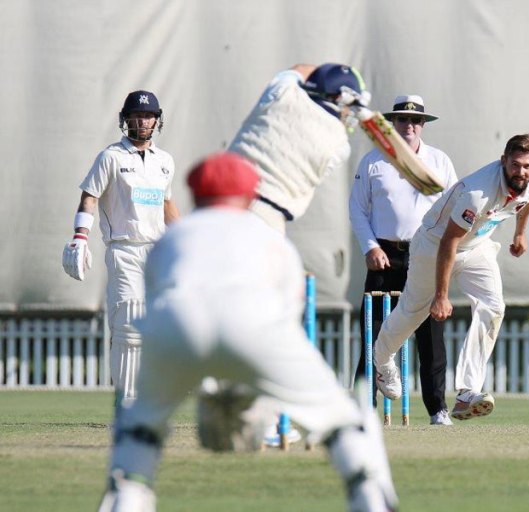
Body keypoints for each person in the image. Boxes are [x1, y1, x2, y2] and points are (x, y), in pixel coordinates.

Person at [96, 153, 397, 512]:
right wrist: (254, 390)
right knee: (345, 421)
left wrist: (211, 382)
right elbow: (288, 315)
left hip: (174, 325)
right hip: (258, 325)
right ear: (251, 195)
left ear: (194, 195)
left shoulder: (171, 239)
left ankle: (126, 493)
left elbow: (159, 298)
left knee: (139, 429)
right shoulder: (270, 239)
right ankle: (369, 496)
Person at [227, 62, 371, 445]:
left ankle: (239, 400)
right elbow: (338, 118)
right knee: (274, 327)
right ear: (339, 101)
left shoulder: (282, 92)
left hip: (219, 210)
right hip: (265, 225)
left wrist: (328, 79)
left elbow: (298, 69)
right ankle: (272, 420)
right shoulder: (337, 145)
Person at [372, 134, 529, 421]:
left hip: (476, 246)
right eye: (515, 165)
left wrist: (520, 232)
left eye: (527, 166)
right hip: (434, 245)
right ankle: (381, 360)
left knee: (494, 307)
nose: (521, 172)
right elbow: (448, 243)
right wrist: (441, 296)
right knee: (413, 312)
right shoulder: (478, 192)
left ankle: (467, 393)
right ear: (504, 162)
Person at [62, 90, 180, 409]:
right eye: (136, 116)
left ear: (157, 120)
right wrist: (80, 236)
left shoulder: (165, 162)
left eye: (148, 116)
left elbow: (166, 205)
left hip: (157, 252)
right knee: (128, 324)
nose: (142, 121)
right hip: (124, 249)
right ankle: (126, 405)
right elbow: (90, 196)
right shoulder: (111, 157)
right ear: (126, 119)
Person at [350, 95, 459, 425]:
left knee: (430, 336)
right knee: (374, 332)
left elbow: (454, 209)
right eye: (401, 119)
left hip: (425, 254)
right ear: (391, 124)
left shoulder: (439, 161)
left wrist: (444, 253)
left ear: (423, 124)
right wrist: (370, 247)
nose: (408, 125)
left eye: (415, 120)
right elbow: (357, 208)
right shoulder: (373, 161)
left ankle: (437, 409)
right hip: (383, 255)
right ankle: (363, 409)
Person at [229, 62, 370, 233]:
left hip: (218, 201)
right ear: (343, 98)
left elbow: (300, 69)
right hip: (266, 220)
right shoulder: (340, 147)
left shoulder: (282, 91)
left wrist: (323, 75)